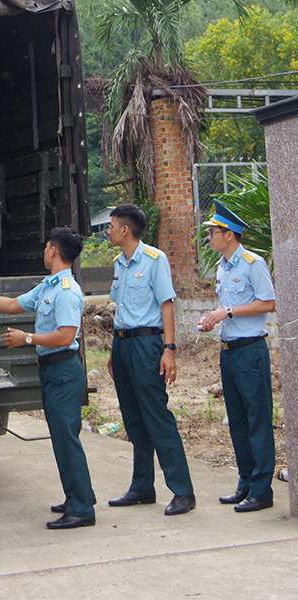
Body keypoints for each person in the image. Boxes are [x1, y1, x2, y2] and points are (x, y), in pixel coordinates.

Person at [0, 227, 96, 529]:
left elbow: (65, 337)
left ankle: (81, 509)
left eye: (46, 246)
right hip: (52, 369)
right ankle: (78, 495)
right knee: (62, 438)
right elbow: (13, 305)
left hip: (63, 369)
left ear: (53, 250)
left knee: (66, 439)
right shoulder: (48, 286)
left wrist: (27, 338)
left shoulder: (65, 292)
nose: (44, 250)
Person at [106, 204, 195, 516]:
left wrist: (168, 349)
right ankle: (142, 486)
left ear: (125, 230)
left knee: (156, 416)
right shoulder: (120, 263)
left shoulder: (155, 259)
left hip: (147, 344)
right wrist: (113, 351)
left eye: (112, 225)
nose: (108, 230)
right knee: (133, 419)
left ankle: (183, 491)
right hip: (123, 345)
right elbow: (120, 309)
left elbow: (166, 304)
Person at [197, 200, 276, 512]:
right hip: (229, 351)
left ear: (230, 235)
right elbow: (229, 309)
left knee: (258, 419)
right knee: (238, 421)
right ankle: (245, 483)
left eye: (214, 232)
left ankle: (262, 490)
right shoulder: (223, 266)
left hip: (251, 351)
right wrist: (213, 319)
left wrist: (227, 311)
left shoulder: (252, 263)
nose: (210, 238)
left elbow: (268, 303)